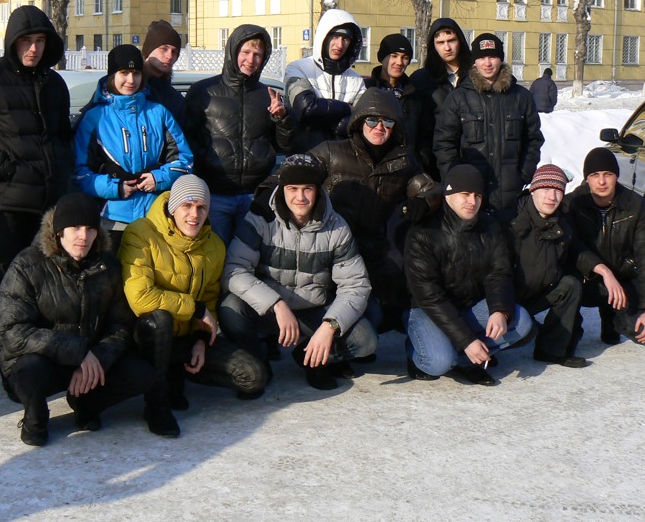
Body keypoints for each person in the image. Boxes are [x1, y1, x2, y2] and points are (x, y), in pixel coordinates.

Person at [0, 193, 156, 446]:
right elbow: (13, 331)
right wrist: (77, 352)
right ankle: (35, 415)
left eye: (90, 228)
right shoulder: (27, 265)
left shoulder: (107, 266)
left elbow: (120, 325)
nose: (83, 236)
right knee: (30, 371)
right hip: (43, 360)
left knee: (142, 374)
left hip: (90, 357)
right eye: (74, 227)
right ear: (58, 232)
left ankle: (87, 403)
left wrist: (98, 358)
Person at [0, 5, 72, 347]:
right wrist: (3, 169)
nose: (33, 49)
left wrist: (61, 170)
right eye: (26, 41)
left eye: (39, 41)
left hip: (50, 205)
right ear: (12, 43)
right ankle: (9, 354)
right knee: (9, 283)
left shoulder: (55, 85)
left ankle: (43, 350)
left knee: (49, 282)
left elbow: (62, 136)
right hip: (7, 203)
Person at [119, 175, 268, 438]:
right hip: (148, 338)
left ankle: (177, 372)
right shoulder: (140, 233)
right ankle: (156, 402)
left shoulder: (214, 245)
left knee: (253, 376)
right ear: (173, 207)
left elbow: (210, 297)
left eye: (201, 207)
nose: (194, 215)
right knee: (160, 319)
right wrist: (196, 309)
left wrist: (200, 337)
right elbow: (140, 298)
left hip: (186, 339)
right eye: (187, 206)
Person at [220, 153, 378, 391]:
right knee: (231, 308)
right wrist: (276, 304)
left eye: (308, 189)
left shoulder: (336, 226)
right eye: (292, 188)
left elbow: (355, 285)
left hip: (314, 310)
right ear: (282, 188)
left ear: (318, 190)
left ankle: (311, 359)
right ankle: (257, 359)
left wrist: (330, 326)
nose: (300, 197)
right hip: (270, 310)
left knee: (366, 341)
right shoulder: (260, 217)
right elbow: (234, 270)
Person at [309, 88, 438, 334]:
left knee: (374, 319)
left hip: (372, 251)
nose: (379, 127)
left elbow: (431, 190)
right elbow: (296, 172)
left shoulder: (402, 162)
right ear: (359, 122)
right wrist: (268, 193)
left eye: (387, 121)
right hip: (329, 248)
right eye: (371, 120)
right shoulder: (331, 151)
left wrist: (423, 202)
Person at [403, 164, 533, 386]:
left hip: (469, 306)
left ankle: (465, 360)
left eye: (477, 195)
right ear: (449, 194)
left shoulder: (490, 226)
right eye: (465, 194)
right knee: (439, 362)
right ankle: (418, 352)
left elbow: (498, 273)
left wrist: (499, 310)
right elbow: (429, 296)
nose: (472, 201)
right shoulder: (423, 233)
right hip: (428, 311)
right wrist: (467, 339)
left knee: (520, 322)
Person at [183, 24, 295, 244]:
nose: (250, 60)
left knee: (252, 259)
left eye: (257, 55)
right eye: (245, 52)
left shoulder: (269, 96)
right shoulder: (203, 91)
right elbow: (187, 139)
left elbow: (286, 146)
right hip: (215, 196)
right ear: (233, 52)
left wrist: (282, 119)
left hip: (257, 197)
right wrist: (207, 161)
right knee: (216, 258)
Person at [74, 44, 193, 249]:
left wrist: (158, 178)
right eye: (124, 73)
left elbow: (185, 161)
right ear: (112, 75)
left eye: (136, 73)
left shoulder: (159, 112)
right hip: (111, 220)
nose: (131, 80)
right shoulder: (94, 117)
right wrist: (115, 188)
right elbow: (78, 173)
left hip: (155, 218)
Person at [433, 32, 543, 213]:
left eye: (492, 56)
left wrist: (522, 175)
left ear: (500, 59)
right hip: (470, 197)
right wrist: (456, 180)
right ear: (474, 61)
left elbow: (533, 140)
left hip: (510, 197)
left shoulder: (521, 97)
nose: (487, 63)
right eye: (482, 57)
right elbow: (444, 144)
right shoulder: (458, 98)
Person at [566, 147, 645, 348]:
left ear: (616, 176)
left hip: (622, 278)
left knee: (643, 332)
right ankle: (571, 329)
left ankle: (611, 317)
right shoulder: (574, 203)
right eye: (594, 175)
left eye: (607, 174)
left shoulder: (636, 205)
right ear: (587, 179)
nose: (601, 181)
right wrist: (603, 272)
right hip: (587, 278)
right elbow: (574, 246)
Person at [499, 164, 587, 368]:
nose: (552, 197)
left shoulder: (563, 225)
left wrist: (573, 326)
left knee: (571, 284)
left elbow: (572, 259)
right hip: (503, 300)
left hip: (535, 295)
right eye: (546, 189)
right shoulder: (509, 221)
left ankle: (550, 349)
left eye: (558, 191)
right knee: (522, 333)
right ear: (533, 190)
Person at [283, 9, 366, 152]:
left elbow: (363, 119)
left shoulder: (356, 80)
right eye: (334, 36)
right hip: (305, 158)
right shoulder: (298, 69)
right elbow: (306, 108)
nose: (339, 45)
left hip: (343, 161)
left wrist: (341, 122)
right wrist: (347, 109)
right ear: (323, 36)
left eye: (345, 39)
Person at [408, 18, 472, 180]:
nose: (447, 47)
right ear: (433, 46)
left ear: (461, 41)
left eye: (451, 40)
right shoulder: (421, 80)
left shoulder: (476, 77)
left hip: (473, 158)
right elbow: (414, 126)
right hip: (434, 163)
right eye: (440, 42)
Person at [365, 33, 424, 167]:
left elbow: (423, 135)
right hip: (373, 166)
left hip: (407, 168)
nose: (399, 62)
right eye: (394, 56)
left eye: (405, 58)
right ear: (382, 58)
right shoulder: (366, 90)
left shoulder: (414, 95)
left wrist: (419, 162)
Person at [141, 19, 185, 123]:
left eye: (174, 52)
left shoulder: (175, 99)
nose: (169, 56)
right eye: (164, 49)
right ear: (149, 49)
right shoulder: (128, 89)